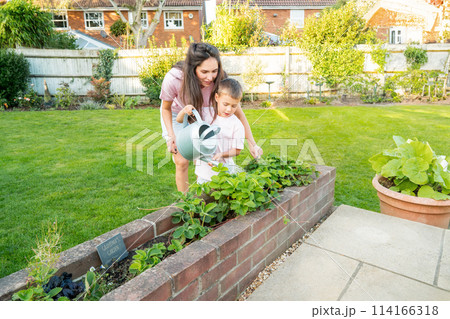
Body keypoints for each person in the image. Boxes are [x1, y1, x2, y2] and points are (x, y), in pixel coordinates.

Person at [160, 42, 262, 192]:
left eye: (214, 71)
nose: (210, 77)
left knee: (205, 154)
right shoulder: (175, 78)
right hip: (178, 114)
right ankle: (187, 205)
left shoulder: (220, 80)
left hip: (202, 112)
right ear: (192, 68)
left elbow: (239, 113)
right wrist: (171, 135)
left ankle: (205, 191)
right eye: (204, 72)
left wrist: (252, 143)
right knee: (182, 160)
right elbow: (166, 108)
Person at [177, 78, 245, 183]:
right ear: (217, 97)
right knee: (202, 198)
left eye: (234, 106)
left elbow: (237, 150)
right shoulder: (206, 114)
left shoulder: (237, 125)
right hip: (203, 171)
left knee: (222, 198)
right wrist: (185, 110)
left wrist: (221, 154)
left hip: (224, 171)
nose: (228, 109)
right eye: (226, 104)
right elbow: (180, 120)